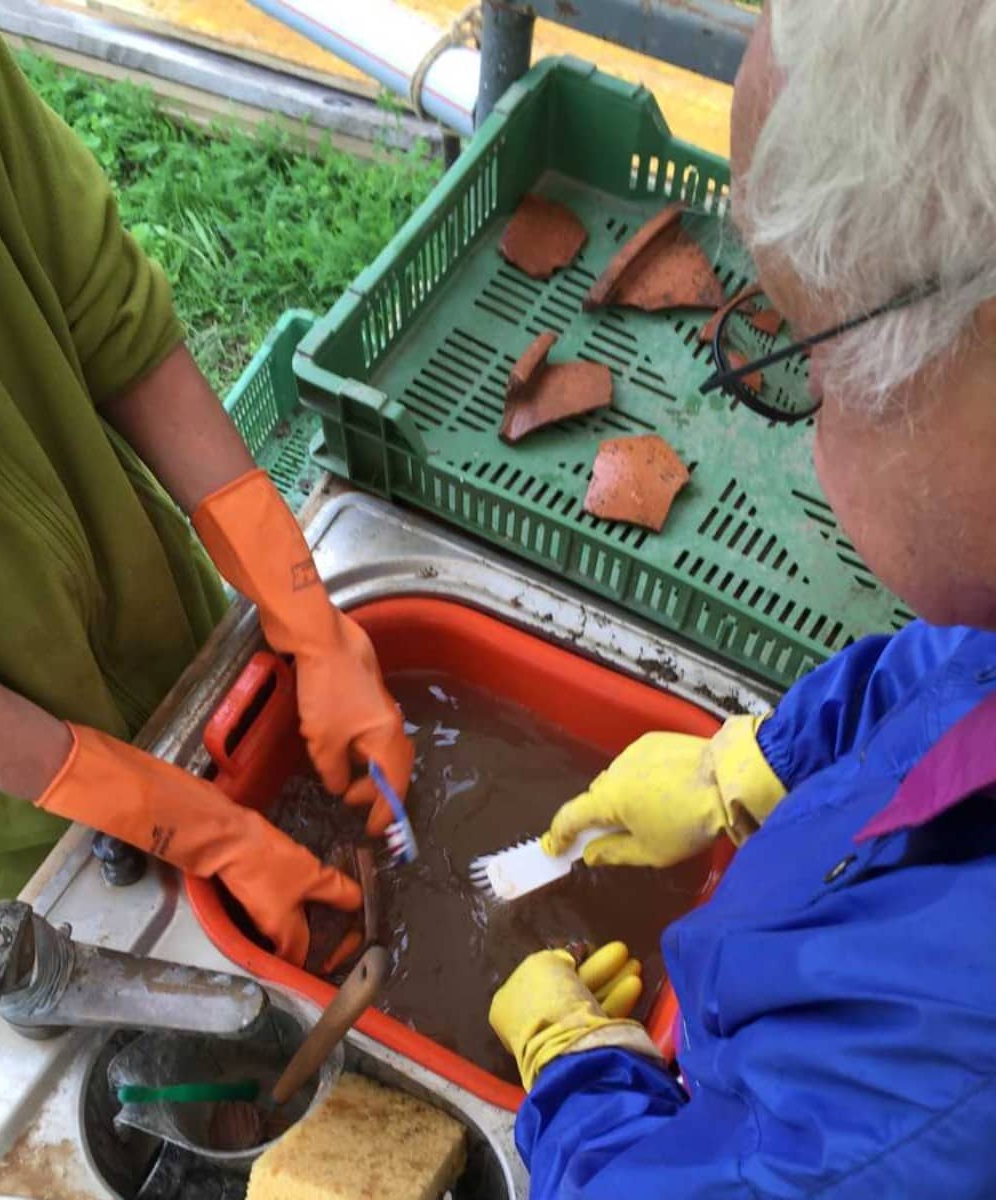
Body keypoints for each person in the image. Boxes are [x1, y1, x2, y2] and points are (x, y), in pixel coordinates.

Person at [489, 3, 996, 1194]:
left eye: (807, 364)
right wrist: (758, 763)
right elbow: (959, 677)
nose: (809, 418)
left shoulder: (931, 1084)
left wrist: (578, 1082)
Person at [0, 0, 413, 966]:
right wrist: (189, 827)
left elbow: (105, 310)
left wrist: (307, 617)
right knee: (91, 966)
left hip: (152, 618)